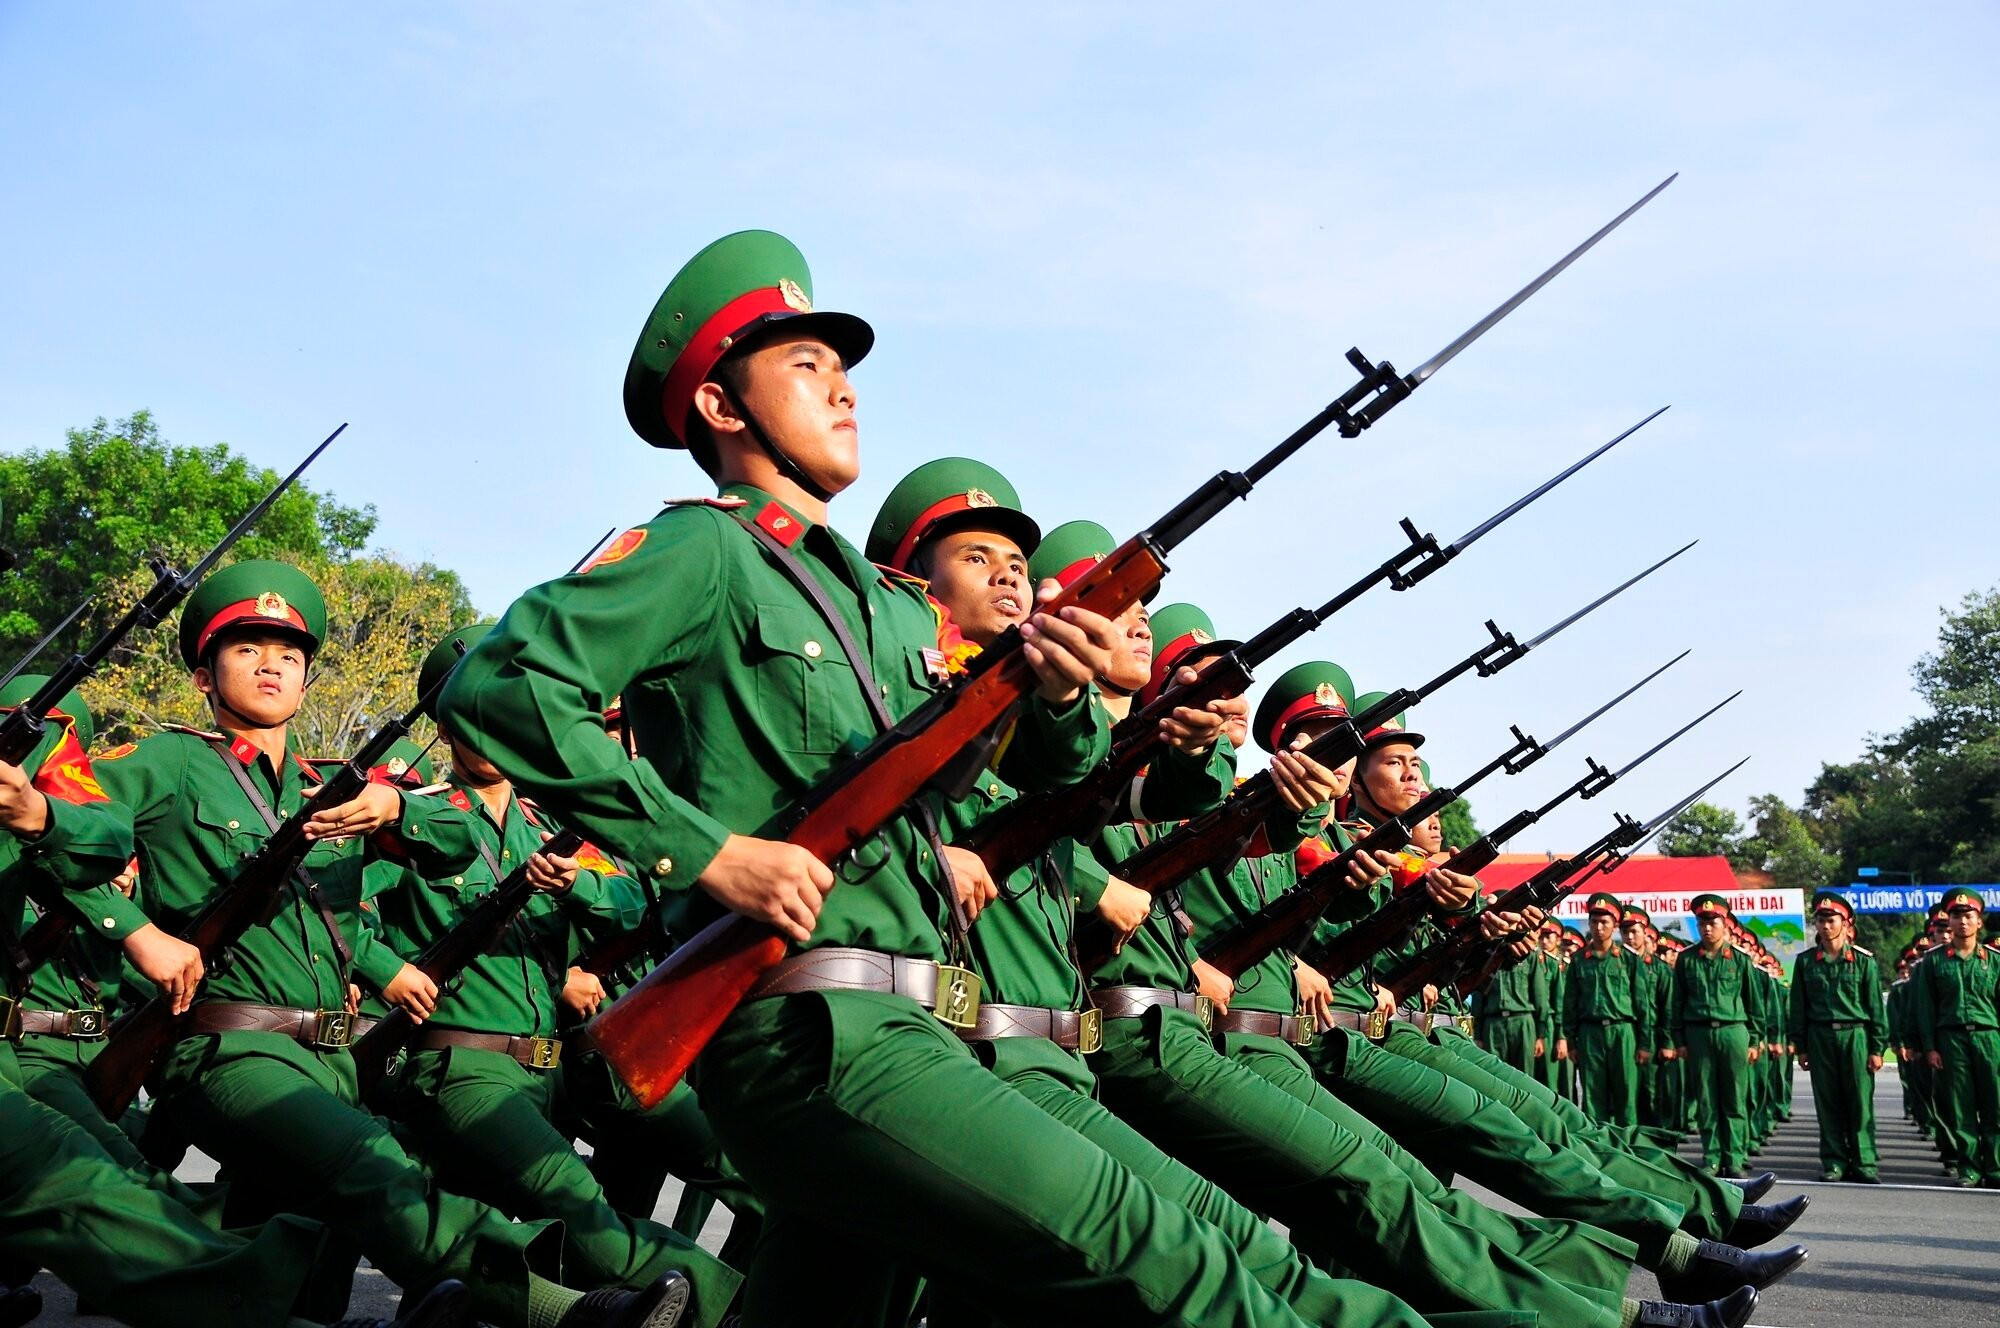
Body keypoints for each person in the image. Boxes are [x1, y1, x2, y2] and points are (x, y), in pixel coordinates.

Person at [443, 230, 1426, 1328]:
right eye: (805, 367)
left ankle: (519, 1305)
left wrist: (1055, 693)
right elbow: (504, 685)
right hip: (813, 1030)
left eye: (844, 368)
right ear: (723, 408)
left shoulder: (889, 607)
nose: (843, 389)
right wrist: (709, 853)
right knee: (1164, 1253)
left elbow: (1037, 773)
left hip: (905, 1025)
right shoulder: (703, 554)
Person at [94, 559, 686, 1328]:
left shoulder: (334, 789)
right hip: (232, 1047)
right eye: (245, 648)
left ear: (308, 681)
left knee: (266, 1239)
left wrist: (394, 808)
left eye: (290, 654)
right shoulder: (166, 763)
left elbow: (446, 841)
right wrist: (136, 934)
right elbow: (53, 828)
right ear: (203, 676)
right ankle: (568, 1312)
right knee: (382, 1178)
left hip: (334, 1059)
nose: (272, 663)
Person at [365, 623, 742, 1324]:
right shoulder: (415, 817)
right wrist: (388, 970)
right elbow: (339, 912)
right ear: (446, 723)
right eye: (477, 711)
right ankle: (740, 1303)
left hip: (545, 1070)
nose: (494, 728)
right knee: (573, 1204)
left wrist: (577, 889)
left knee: (472, 1243)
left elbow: (636, 905)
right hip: (460, 1065)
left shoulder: (548, 826)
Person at [1788, 891, 1886, 1182]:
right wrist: (1801, 1046)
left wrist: (1877, 1047)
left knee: (1859, 1102)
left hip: (1856, 1035)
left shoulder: (1863, 962)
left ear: (1846, 923)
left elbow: (1876, 1008)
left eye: (1832, 920)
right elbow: (1798, 1008)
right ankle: (1834, 1162)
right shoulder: (1806, 963)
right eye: (1821, 920)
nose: (1826, 925)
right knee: (1828, 1102)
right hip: (1820, 1037)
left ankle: (1864, 1162)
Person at [1911, 886, 2000, 1187]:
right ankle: (1970, 1168)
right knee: (1960, 1107)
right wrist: (1930, 1046)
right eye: (1956, 915)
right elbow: (1925, 1008)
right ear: (1948, 922)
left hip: (1990, 1038)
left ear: (1980, 921)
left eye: (1968, 915)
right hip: (1951, 1040)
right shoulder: (1934, 961)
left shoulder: (1995, 960)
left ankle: (1996, 1166)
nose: (1963, 921)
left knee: (1995, 1105)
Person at [1671, 895, 1760, 1178]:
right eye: (1702, 923)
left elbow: (1753, 1003)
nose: (1707, 928)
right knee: (1706, 1098)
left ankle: (1733, 1157)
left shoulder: (1741, 960)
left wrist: (1755, 1040)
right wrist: (1680, 1040)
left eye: (1713, 922)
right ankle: (1711, 1158)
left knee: (1734, 1097)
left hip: (1733, 1031)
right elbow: (1677, 1002)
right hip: (1698, 1033)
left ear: (1725, 925)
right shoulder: (1686, 959)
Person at [1562, 892, 1642, 1127]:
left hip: (1623, 1031)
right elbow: (1570, 1003)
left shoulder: (1628, 958)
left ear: (1615, 926)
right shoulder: (1579, 960)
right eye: (1594, 921)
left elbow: (1642, 1003)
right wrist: (1572, 1041)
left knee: (1625, 1093)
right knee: (1593, 1095)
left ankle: (1629, 1150)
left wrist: (1645, 1042)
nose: (1598, 927)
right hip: (1590, 1033)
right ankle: (1601, 1151)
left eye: (1605, 922)